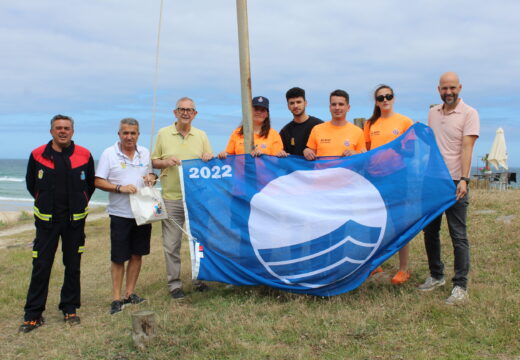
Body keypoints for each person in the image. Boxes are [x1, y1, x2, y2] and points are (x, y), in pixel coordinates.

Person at [20, 114, 95, 333]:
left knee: (72, 266)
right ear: (51, 131)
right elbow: (31, 184)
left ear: (73, 131)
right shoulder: (37, 155)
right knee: (41, 267)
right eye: (58, 128)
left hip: (74, 223)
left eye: (67, 128)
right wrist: (44, 204)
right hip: (46, 223)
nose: (63, 131)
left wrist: (79, 203)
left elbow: (89, 185)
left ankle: (70, 307)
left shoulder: (84, 154)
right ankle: (33, 314)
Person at [419, 72, 479, 305]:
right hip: (433, 181)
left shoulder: (470, 113)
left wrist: (464, 179)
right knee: (430, 232)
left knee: (458, 235)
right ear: (438, 89)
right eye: (445, 88)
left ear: (460, 88)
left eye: (452, 88)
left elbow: (467, 148)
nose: (449, 92)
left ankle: (460, 286)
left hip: (455, 182)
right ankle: (436, 275)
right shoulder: (433, 112)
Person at [95, 118, 158, 315]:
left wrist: (152, 178)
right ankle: (116, 298)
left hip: (143, 213)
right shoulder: (109, 154)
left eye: (133, 133)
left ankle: (130, 294)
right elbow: (98, 181)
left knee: (137, 254)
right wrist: (119, 188)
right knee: (118, 257)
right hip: (120, 213)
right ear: (119, 134)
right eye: (125, 133)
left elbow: (152, 176)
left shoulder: (145, 152)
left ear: (138, 135)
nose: (129, 136)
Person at [152, 97, 213, 299]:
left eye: (190, 110)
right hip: (172, 198)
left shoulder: (202, 135)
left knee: (199, 241)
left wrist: (207, 158)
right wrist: (166, 161)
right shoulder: (163, 133)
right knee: (171, 244)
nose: (185, 113)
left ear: (195, 114)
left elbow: (209, 162)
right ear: (175, 112)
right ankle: (175, 284)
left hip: (197, 198)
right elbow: (154, 161)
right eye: (181, 109)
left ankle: (199, 279)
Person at [364, 85, 414, 285]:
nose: (385, 100)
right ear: (376, 101)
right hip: (376, 179)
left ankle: (403, 269)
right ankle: (376, 263)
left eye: (388, 96)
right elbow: (366, 153)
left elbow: (411, 151)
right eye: (381, 97)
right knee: (376, 222)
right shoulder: (369, 124)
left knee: (399, 222)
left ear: (393, 98)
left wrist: (397, 149)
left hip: (398, 178)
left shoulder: (404, 122)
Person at [304, 89, 366, 160]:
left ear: (348, 108)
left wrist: (356, 154)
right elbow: (310, 155)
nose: (337, 108)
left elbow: (363, 159)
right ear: (330, 107)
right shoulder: (317, 129)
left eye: (341, 104)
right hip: (322, 171)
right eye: (334, 104)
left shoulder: (357, 132)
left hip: (346, 171)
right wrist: (306, 151)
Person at [218, 96, 284, 159]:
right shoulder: (236, 133)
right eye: (256, 109)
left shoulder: (274, 135)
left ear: (267, 114)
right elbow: (230, 156)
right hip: (241, 171)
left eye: (262, 110)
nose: (258, 112)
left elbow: (276, 161)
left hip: (263, 171)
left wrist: (262, 156)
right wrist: (223, 155)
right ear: (249, 111)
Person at [279, 87, 323, 156]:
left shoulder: (319, 126)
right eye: (292, 103)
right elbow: (281, 155)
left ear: (305, 103)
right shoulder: (285, 132)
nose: (295, 106)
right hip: (295, 167)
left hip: (317, 166)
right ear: (288, 106)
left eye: (299, 102)